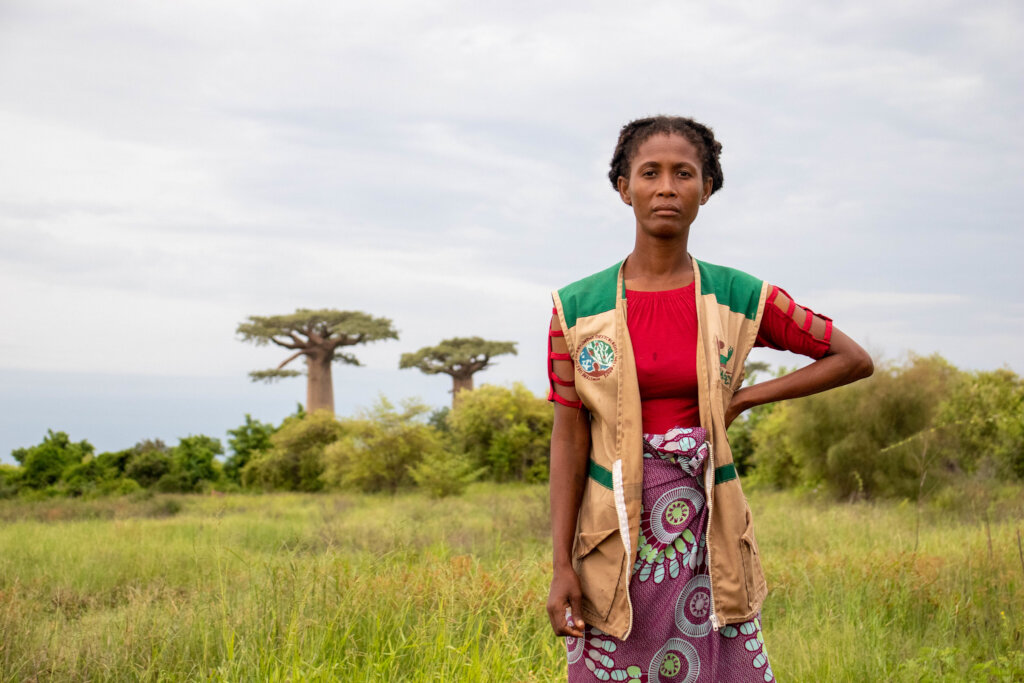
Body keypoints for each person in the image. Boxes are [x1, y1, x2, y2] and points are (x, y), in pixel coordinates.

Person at [545, 116, 873, 682]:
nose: (666, 187)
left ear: (707, 189)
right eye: (650, 173)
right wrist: (559, 567)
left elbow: (851, 358)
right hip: (613, 541)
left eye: (684, 173)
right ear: (624, 189)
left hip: (707, 541)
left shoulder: (738, 295)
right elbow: (569, 435)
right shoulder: (575, 309)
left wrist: (744, 398)